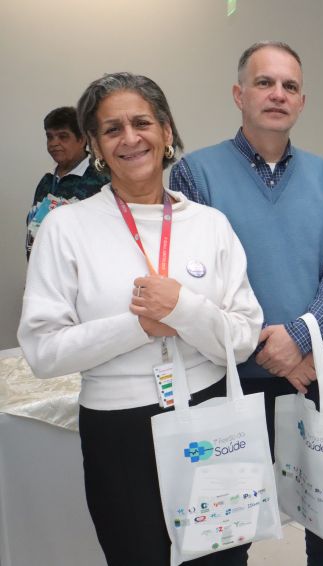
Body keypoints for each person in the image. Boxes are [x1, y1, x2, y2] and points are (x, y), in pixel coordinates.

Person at [17, 72, 262, 566]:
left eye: (142, 123)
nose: (130, 138)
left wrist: (183, 310)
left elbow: (242, 337)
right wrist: (140, 326)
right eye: (112, 129)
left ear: (166, 132)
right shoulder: (65, 228)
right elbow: (43, 351)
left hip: (210, 411)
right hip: (119, 428)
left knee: (221, 556)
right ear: (95, 146)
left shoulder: (210, 225)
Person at [169, 41, 323, 564]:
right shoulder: (195, 174)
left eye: (289, 86)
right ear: (239, 94)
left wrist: (297, 340)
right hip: (231, 380)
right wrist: (265, 349)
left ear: (302, 101)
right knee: (226, 534)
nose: (278, 94)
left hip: (315, 374)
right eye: (264, 83)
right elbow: (197, 287)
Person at [26, 106, 108, 258]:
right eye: (50, 137)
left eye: (63, 136)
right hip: (43, 265)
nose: (54, 143)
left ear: (82, 139)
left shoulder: (103, 178)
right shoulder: (46, 180)